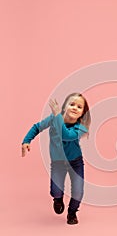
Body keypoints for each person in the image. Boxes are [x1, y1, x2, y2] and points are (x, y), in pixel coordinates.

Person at [22, 93, 91, 225]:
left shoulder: (81, 128)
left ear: (83, 113)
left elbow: (66, 135)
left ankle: (72, 212)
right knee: (56, 190)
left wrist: (58, 115)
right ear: (65, 107)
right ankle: (57, 199)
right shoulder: (54, 118)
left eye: (79, 106)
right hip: (58, 163)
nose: (75, 108)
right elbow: (37, 127)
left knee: (78, 191)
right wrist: (26, 141)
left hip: (75, 162)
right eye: (72, 104)